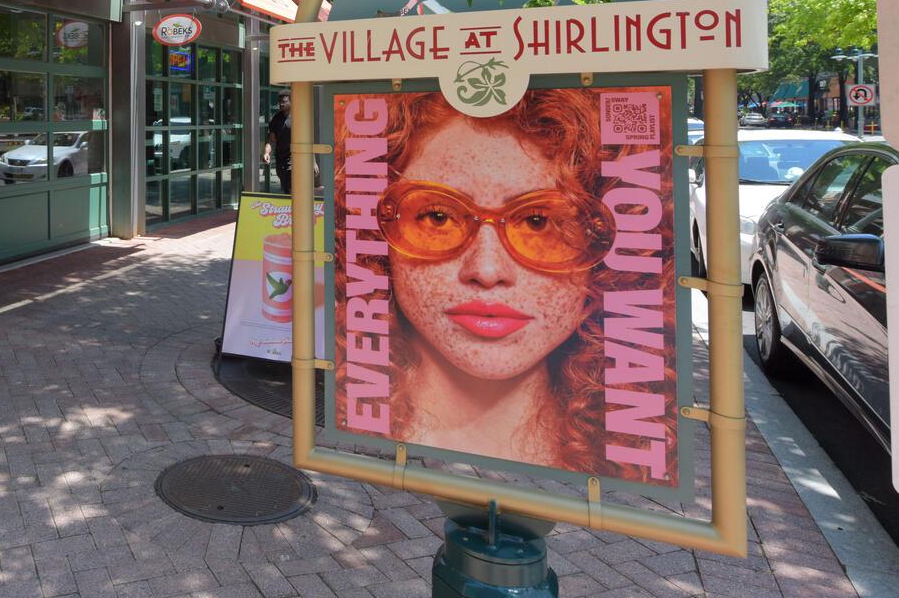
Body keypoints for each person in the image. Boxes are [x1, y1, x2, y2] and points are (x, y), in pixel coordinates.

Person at [333, 89, 674, 478]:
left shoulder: (629, 451)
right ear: (378, 240)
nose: (488, 269)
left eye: (539, 221)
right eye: (438, 216)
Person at [263, 92, 293, 194]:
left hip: (295, 158)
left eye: (284, 102)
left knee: (291, 186)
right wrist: (267, 153)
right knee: (285, 186)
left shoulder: (299, 118)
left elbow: (309, 140)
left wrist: (313, 161)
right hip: (280, 158)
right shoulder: (275, 119)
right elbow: (271, 140)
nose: (281, 104)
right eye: (280, 102)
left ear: (291, 102)